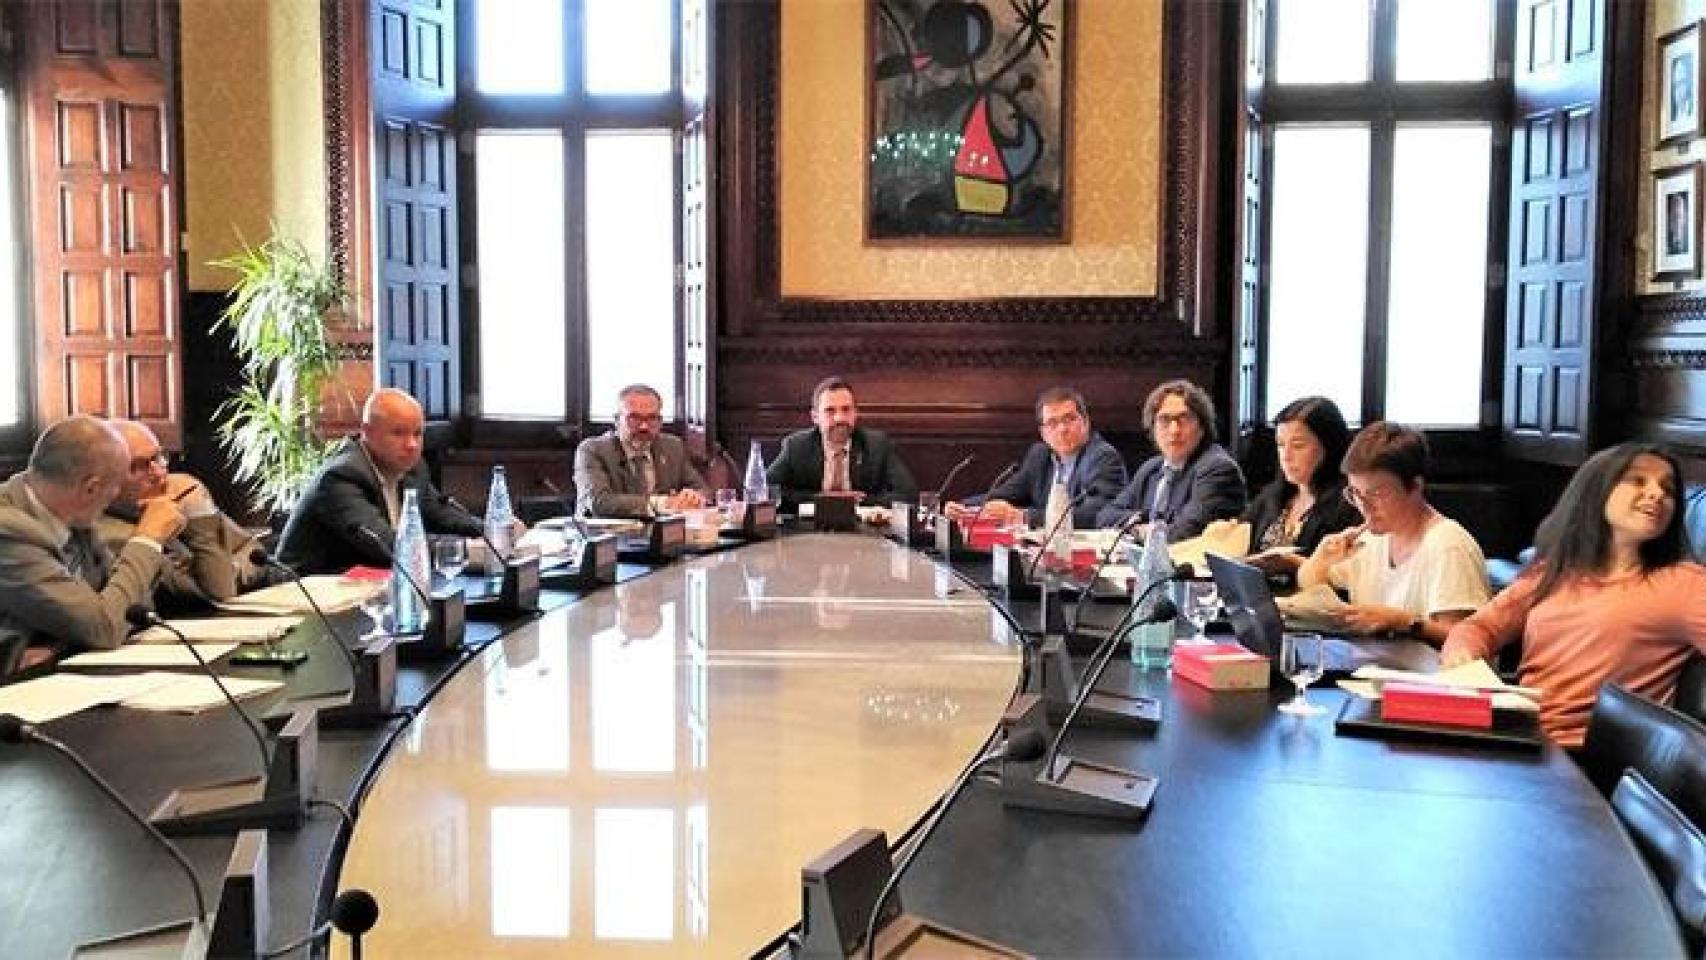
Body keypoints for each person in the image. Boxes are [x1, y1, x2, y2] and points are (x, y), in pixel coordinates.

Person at [1442, 443, 1706, 748]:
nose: (1657, 493)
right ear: (1597, 491)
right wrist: (1463, 656)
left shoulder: (1684, 584)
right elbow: (1478, 627)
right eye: (1637, 480)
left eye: (1668, 489)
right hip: (1516, 733)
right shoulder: (1552, 572)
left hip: (1581, 756)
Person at [0, 416, 184, 653]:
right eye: (115, 486)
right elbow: (105, 627)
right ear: (91, 489)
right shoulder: (9, 530)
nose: (115, 495)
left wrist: (66, 641)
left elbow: (133, 607)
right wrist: (148, 539)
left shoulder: (73, 514)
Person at [1297, 421, 1489, 640]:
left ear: (1415, 486)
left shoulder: (1449, 546)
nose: (1364, 506)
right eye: (1355, 493)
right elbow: (1311, 586)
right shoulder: (1371, 540)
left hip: (1422, 663)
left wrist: (1403, 622)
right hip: (1370, 659)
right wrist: (1320, 561)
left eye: (1376, 494)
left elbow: (1465, 640)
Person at [278, 387, 486, 575]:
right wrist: (465, 550)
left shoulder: (413, 469)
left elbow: (442, 513)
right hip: (308, 591)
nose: (412, 445)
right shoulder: (341, 477)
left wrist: (492, 531)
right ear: (367, 432)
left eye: (417, 434)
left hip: (372, 586)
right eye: (398, 433)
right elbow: (386, 544)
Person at [99, 420, 272, 607]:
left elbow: (253, 550)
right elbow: (216, 595)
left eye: (158, 457)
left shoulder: (177, 493)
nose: (159, 473)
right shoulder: (112, 538)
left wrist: (232, 570)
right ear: (103, 478)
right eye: (139, 465)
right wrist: (198, 516)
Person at [944, 386, 1127, 530]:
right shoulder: (1040, 455)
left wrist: (1022, 517)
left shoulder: (1102, 457)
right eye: (1052, 423)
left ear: (1085, 422)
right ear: (1043, 433)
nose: (1062, 429)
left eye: (1069, 419)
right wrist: (964, 507)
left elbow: (1096, 514)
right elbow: (1008, 493)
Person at [1225, 396, 1362, 575]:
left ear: (1328, 447)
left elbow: (1350, 574)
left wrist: (1296, 564)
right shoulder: (1273, 496)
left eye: (1298, 446)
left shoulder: (1350, 502)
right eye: (1281, 445)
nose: (1286, 456)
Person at [1094, 379, 1246, 540]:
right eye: (1164, 420)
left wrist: (1138, 530)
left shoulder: (1218, 469)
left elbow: (1184, 533)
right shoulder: (1151, 469)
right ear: (1152, 428)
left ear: (1202, 427)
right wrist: (1140, 521)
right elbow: (1105, 516)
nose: (1174, 430)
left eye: (1184, 419)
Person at [765, 376, 918, 510]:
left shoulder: (877, 445)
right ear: (815, 417)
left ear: (855, 413)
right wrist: (821, 499)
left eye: (846, 409)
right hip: (809, 528)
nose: (839, 418)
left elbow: (908, 495)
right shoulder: (796, 446)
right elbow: (765, 491)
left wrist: (860, 502)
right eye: (830, 411)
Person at [574, 384, 708, 519]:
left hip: (663, 530)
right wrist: (660, 503)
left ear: (660, 421)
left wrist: (693, 497)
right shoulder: (592, 450)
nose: (644, 427)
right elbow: (598, 502)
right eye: (634, 418)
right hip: (604, 531)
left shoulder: (672, 446)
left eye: (652, 418)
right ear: (617, 420)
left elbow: (702, 490)